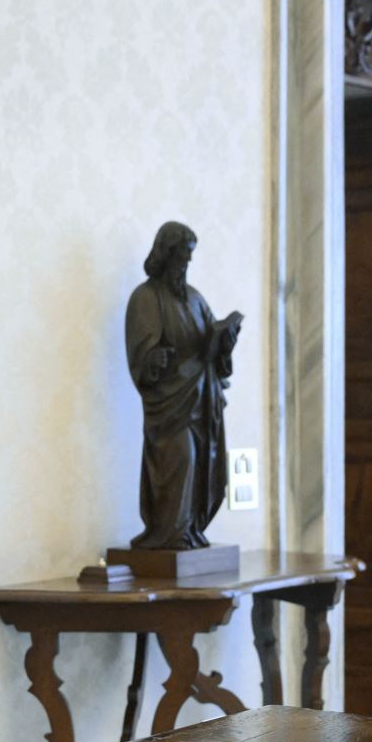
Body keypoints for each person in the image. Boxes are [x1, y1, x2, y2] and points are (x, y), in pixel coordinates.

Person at [123, 221, 243, 550]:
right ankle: (169, 534)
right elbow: (140, 356)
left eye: (190, 257)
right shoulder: (145, 298)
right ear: (166, 254)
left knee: (207, 466)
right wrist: (152, 361)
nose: (186, 264)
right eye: (182, 256)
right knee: (182, 458)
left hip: (203, 399)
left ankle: (189, 531)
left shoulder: (195, 298)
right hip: (171, 406)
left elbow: (211, 345)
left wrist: (225, 343)